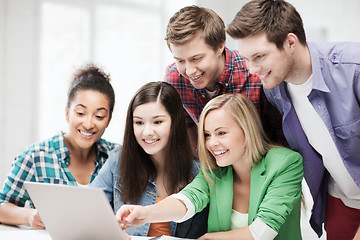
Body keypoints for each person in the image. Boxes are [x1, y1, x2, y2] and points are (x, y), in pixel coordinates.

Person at [226, 0, 360, 239]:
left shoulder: (354, 69)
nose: (251, 69)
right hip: (341, 201)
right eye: (246, 58)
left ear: (290, 42)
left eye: (259, 56)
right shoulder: (274, 88)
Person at [116, 93, 303, 240]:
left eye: (221, 133)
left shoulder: (285, 163)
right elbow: (187, 200)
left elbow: (263, 231)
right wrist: (146, 213)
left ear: (247, 130)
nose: (212, 143)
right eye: (207, 135)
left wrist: (209, 239)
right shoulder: (216, 170)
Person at [0, 64, 118, 229]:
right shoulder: (36, 156)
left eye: (99, 116)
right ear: (67, 113)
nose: (89, 124)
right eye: (80, 113)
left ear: (109, 119)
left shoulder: (117, 157)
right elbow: (2, 205)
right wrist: (29, 216)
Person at [164, 5, 287, 157]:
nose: (189, 71)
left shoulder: (256, 74)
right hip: (215, 167)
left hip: (264, 165)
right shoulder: (175, 78)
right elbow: (186, 124)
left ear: (220, 46)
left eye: (196, 58)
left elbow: (282, 136)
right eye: (180, 61)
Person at [91, 81, 207, 238]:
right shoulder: (117, 161)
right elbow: (87, 209)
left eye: (157, 122)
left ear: (175, 122)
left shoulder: (198, 173)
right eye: (139, 122)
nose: (147, 132)